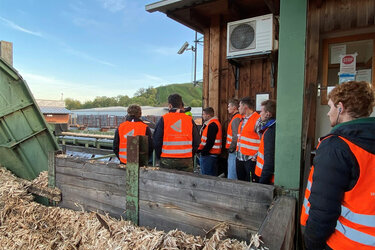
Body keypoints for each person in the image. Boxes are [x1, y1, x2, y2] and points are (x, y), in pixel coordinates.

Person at [300, 81, 375, 250]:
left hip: (344, 244)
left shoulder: (336, 146)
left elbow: (323, 209)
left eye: (331, 107)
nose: (328, 113)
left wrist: (311, 243)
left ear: (341, 108)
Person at [153, 93, 200, 171]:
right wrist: (190, 155)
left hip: (167, 159)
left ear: (170, 106)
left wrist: (160, 156)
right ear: (181, 105)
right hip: (186, 160)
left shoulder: (164, 119)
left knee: (167, 182)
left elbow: (157, 141)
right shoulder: (189, 120)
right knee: (186, 182)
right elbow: (197, 141)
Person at [236, 97, 261, 182]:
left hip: (250, 159)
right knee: (241, 182)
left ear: (245, 107)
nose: (238, 108)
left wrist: (256, 156)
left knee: (251, 184)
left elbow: (263, 141)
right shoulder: (242, 119)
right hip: (240, 157)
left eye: (239, 106)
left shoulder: (258, 120)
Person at [255, 100, 276, 184]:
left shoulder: (270, 131)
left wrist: (262, 182)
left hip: (266, 179)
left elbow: (269, 160)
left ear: (268, 114)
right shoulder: (271, 128)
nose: (260, 114)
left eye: (261, 111)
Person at [197, 107, 222, 176]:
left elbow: (210, 142)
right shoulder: (213, 123)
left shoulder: (212, 125)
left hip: (209, 155)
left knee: (207, 176)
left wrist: (203, 152)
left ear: (208, 115)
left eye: (203, 114)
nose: (202, 116)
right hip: (212, 154)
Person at [225, 99, 242, 179]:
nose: (227, 108)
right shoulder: (236, 118)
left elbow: (236, 136)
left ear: (234, 107)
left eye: (229, 106)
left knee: (232, 175)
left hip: (234, 151)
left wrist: (231, 148)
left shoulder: (236, 119)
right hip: (234, 150)